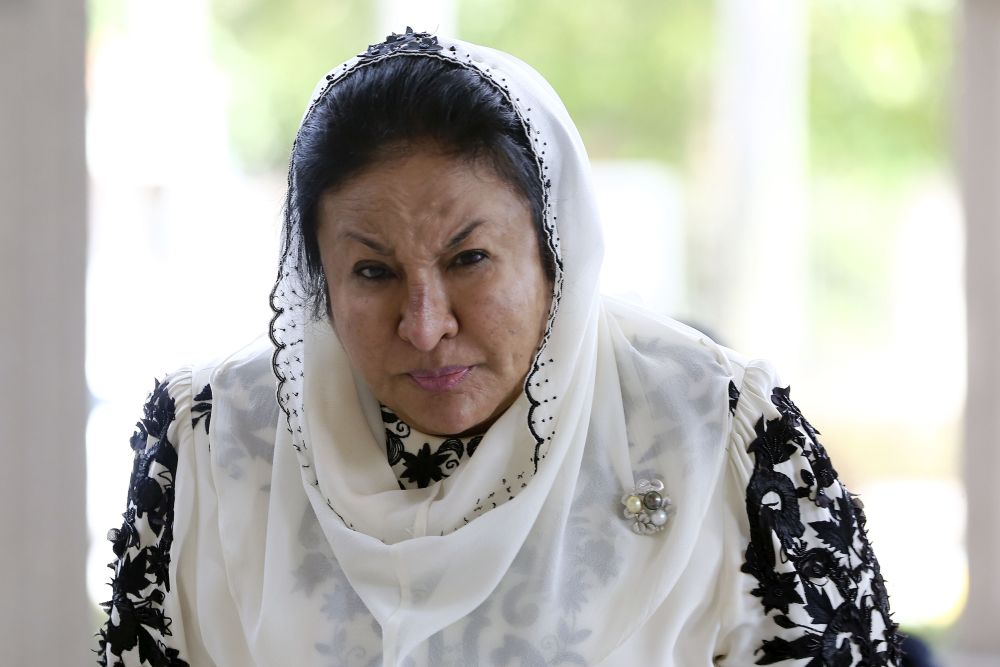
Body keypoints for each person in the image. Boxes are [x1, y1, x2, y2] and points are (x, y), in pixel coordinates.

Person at [97, 29, 902, 666]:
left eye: (469, 259)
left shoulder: (717, 433)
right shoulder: (212, 447)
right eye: (373, 272)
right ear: (316, 280)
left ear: (557, 251)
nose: (425, 325)